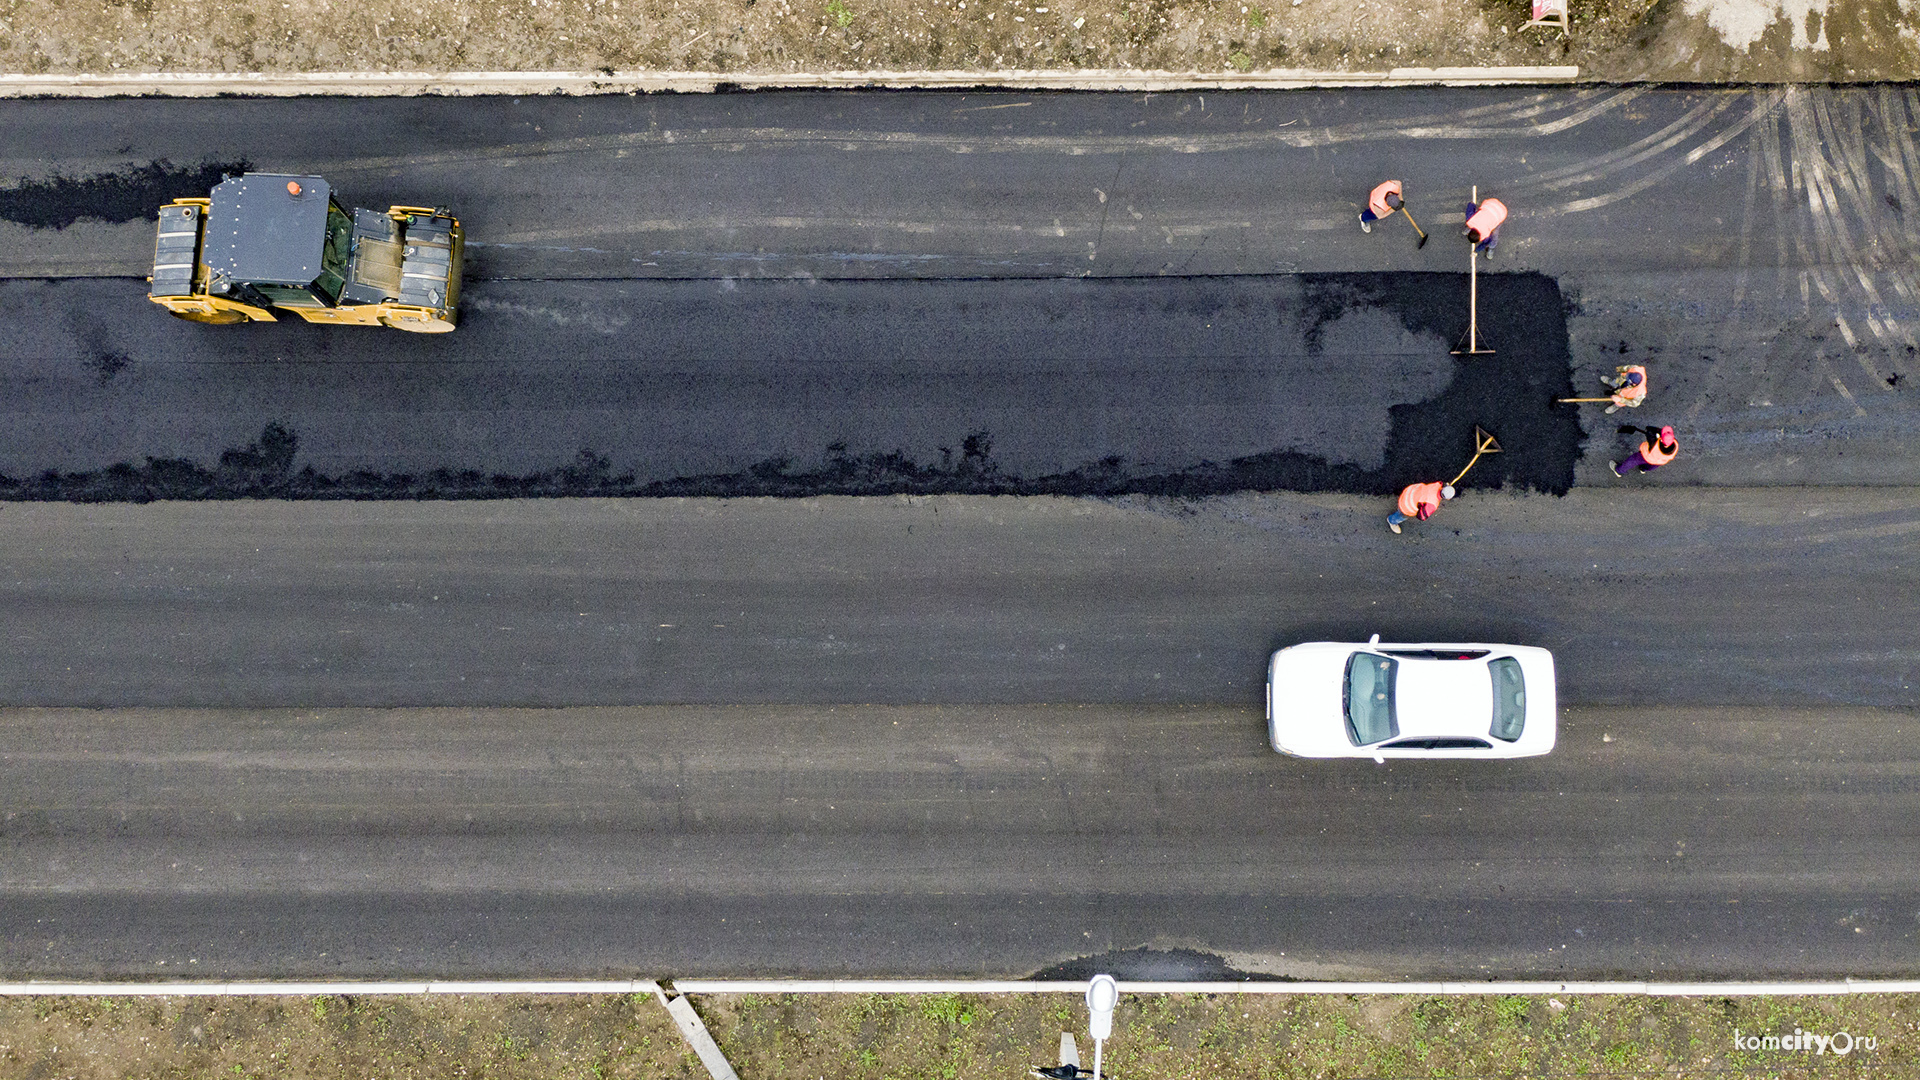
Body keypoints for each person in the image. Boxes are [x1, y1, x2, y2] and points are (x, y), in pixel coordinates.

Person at [1388, 481, 1454, 534]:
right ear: (1447, 499)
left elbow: (1441, 483)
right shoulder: (1432, 504)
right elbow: (1421, 517)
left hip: (1409, 492)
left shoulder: (1437, 485)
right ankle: (1392, 521)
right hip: (1406, 506)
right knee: (1402, 515)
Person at [1612, 425, 1678, 476]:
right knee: (1651, 466)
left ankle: (1618, 470)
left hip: (1646, 456)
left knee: (1633, 460)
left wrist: (1657, 432)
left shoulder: (1654, 443)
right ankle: (1643, 469)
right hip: (1659, 461)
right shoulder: (1675, 444)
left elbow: (1649, 430)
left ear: (1661, 439)